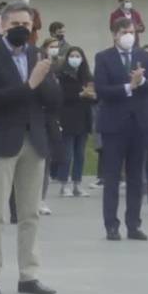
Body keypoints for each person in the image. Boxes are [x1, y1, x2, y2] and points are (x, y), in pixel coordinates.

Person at [0, 1, 61, 294]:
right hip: (2, 139)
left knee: (30, 213)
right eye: (16, 25)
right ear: (2, 26)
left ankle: (29, 274)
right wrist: (29, 84)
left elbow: (52, 98)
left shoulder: (36, 54)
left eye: (27, 25)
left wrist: (47, 77)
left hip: (33, 139)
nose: (22, 30)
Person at [94, 17, 148, 241]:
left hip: (139, 125)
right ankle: (111, 225)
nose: (129, 35)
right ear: (114, 34)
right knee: (111, 178)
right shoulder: (103, 57)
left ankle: (134, 224)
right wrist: (128, 87)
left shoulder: (145, 57)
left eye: (131, 31)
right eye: (124, 32)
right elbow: (102, 90)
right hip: (114, 125)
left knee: (136, 178)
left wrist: (141, 83)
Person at [56, 46, 95, 198]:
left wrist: (92, 95)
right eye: (72, 56)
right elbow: (61, 97)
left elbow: (94, 97)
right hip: (68, 118)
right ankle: (63, 183)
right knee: (67, 153)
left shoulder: (87, 76)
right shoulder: (62, 75)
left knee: (80, 154)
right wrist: (80, 94)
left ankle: (77, 183)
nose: (75, 58)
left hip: (84, 117)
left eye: (78, 56)